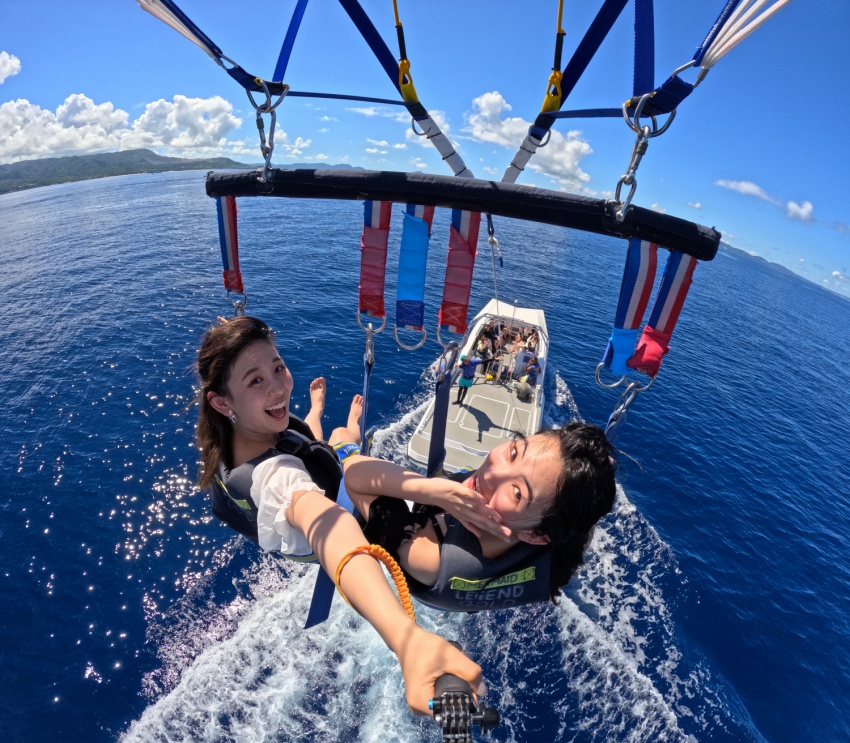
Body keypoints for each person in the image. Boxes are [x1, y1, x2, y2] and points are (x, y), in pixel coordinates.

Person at [195, 316, 484, 714]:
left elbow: (300, 445)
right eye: (255, 380)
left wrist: (236, 344)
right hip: (356, 504)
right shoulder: (277, 481)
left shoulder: (240, 436)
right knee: (349, 455)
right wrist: (406, 638)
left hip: (323, 468)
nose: (279, 386)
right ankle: (349, 433)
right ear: (221, 402)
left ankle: (330, 422)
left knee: (325, 440)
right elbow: (328, 523)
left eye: (278, 367)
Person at [342, 422, 617, 612]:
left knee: (338, 443)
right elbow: (587, 517)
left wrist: (432, 491)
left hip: (428, 554)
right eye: (513, 452)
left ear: (534, 536)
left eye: (518, 493)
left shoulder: (426, 555)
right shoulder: (562, 540)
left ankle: (340, 434)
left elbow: (353, 476)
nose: (490, 474)